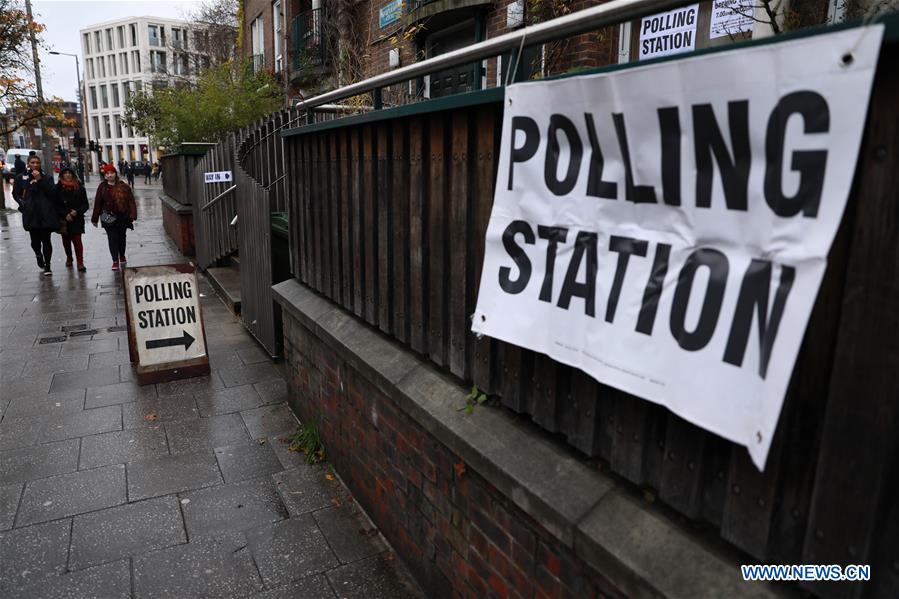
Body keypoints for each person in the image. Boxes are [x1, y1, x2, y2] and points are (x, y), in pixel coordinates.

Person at [12, 155, 62, 275]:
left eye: (37, 163)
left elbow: (52, 193)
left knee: (46, 240)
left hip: (45, 213)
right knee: (35, 241)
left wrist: (40, 180)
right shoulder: (20, 178)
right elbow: (16, 194)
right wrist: (23, 204)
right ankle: (38, 255)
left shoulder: (47, 177)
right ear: (28, 164)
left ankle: (48, 265)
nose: (35, 165)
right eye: (33, 162)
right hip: (31, 213)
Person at [91, 164, 137, 270]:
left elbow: (131, 201)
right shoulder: (102, 187)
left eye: (111, 173)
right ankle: (115, 260)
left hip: (122, 216)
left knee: (121, 238)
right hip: (108, 217)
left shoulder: (123, 186)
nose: (110, 175)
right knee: (112, 238)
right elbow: (98, 203)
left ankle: (122, 255)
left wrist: (133, 214)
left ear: (115, 174)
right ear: (105, 175)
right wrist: (94, 219)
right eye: (107, 173)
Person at [56, 166, 90, 272]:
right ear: (61, 176)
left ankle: (80, 262)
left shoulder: (80, 188)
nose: (67, 175)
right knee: (66, 241)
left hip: (77, 219)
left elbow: (85, 205)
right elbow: (55, 204)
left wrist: (76, 212)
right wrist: (65, 214)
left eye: (69, 173)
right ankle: (69, 258)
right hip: (63, 220)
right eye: (65, 173)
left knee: (77, 241)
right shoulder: (57, 189)